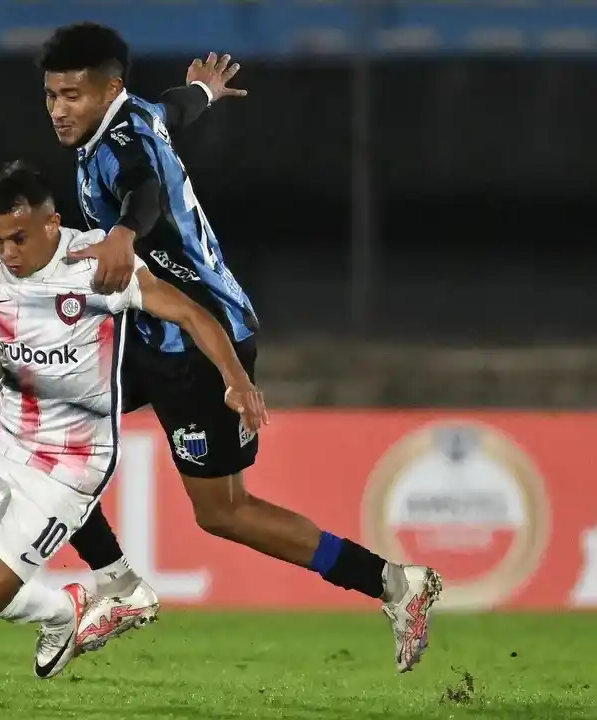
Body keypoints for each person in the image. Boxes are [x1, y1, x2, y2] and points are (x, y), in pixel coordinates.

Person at [39, 22, 443, 673]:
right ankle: (117, 585)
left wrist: (123, 232)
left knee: (224, 512)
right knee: (46, 429)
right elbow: (171, 108)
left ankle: (394, 583)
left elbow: (143, 189)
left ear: (108, 90)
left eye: (72, 96)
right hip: (150, 330)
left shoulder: (122, 145)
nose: (59, 109)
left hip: (200, 337)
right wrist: (202, 91)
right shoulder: (134, 114)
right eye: (52, 95)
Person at [0, 160, 265, 704]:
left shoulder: (96, 263)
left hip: (74, 459)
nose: (7, 251)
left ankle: (65, 613)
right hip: (4, 436)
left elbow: (191, 314)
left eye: (18, 238)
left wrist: (236, 380)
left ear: (52, 223)